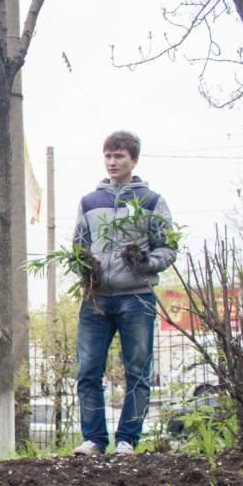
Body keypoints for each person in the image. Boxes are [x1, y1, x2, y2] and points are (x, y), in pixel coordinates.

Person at [71, 130, 177, 456]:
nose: (112, 161)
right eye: (108, 155)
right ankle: (94, 440)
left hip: (137, 297)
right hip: (97, 299)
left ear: (134, 160)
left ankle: (127, 440)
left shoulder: (150, 202)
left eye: (119, 156)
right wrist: (83, 266)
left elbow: (168, 248)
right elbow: (78, 246)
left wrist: (145, 262)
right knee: (88, 371)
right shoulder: (90, 202)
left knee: (137, 372)